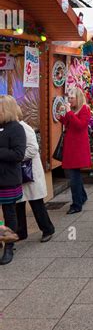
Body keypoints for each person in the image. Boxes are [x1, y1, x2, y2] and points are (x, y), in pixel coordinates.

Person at [16, 106, 55, 243]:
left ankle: (47, 229)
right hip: (18, 172)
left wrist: (14, 156)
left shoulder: (24, 127)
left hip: (29, 171)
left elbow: (33, 149)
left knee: (36, 202)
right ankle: (21, 232)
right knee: (18, 203)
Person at [0, 95, 26, 264]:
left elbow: (18, 155)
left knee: (9, 213)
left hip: (8, 179)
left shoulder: (16, 128)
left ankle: (9, 247)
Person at [59, 87, 92, 215]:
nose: (70, 100)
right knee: (75, 175)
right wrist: (61, 116)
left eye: (72, 98)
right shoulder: (72, 110)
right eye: (69, 98)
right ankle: (82, 197)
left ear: (78, 98)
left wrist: (69, 113)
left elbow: (80, 126)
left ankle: (76, 204)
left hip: (78, 147)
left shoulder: (84, 109)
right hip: (71, 146)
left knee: (73, 176)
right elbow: (68, 123)